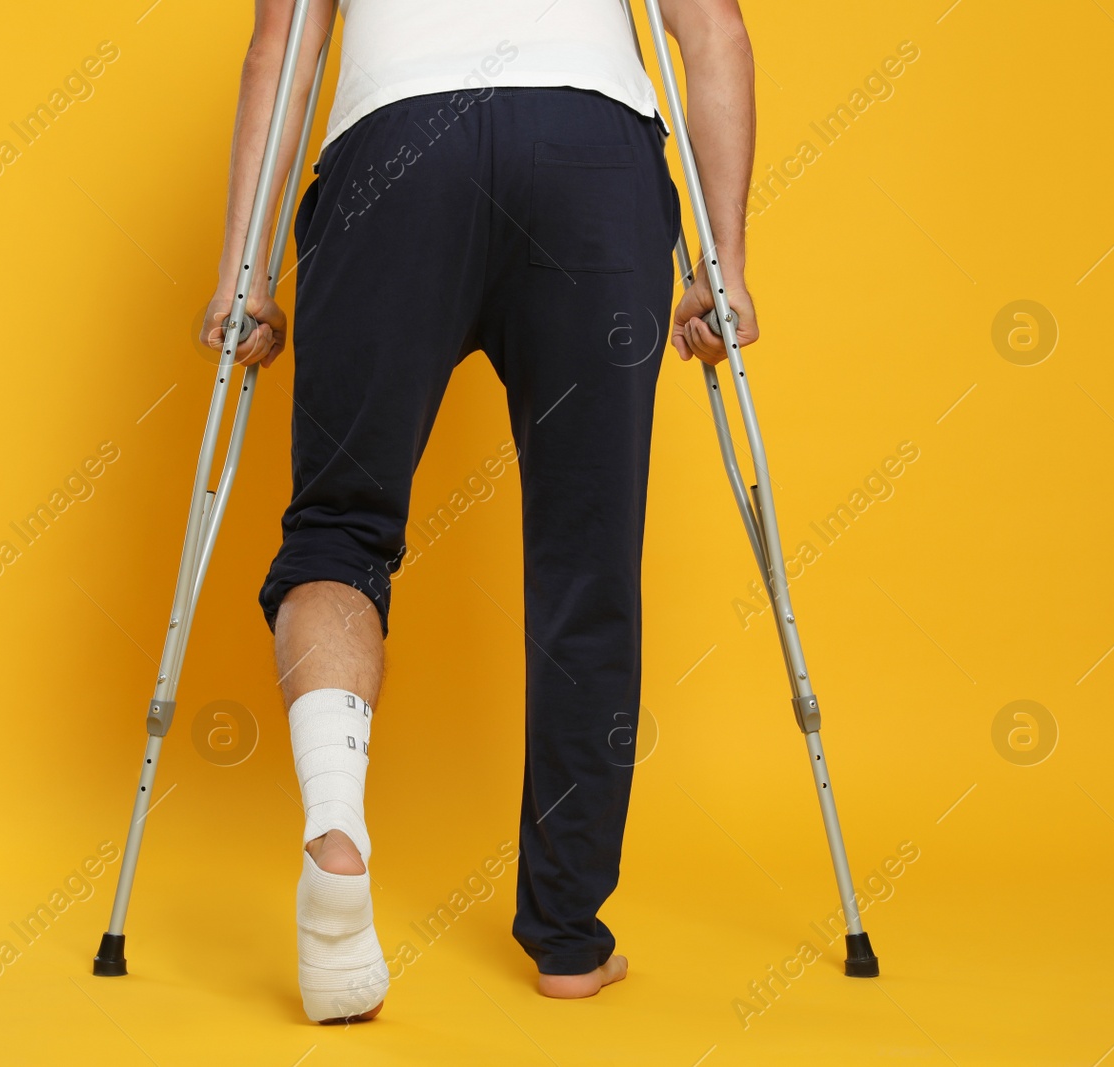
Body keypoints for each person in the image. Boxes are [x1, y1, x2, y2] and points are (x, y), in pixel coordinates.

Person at [201, 0, 759, 1024]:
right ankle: (568, 941)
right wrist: (719, 264)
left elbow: (280, 48)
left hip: (393, 156)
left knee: (339, 530)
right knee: (585, 559)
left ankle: (335, 830)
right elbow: (711, 33)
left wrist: (245, 276)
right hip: (590, 154)